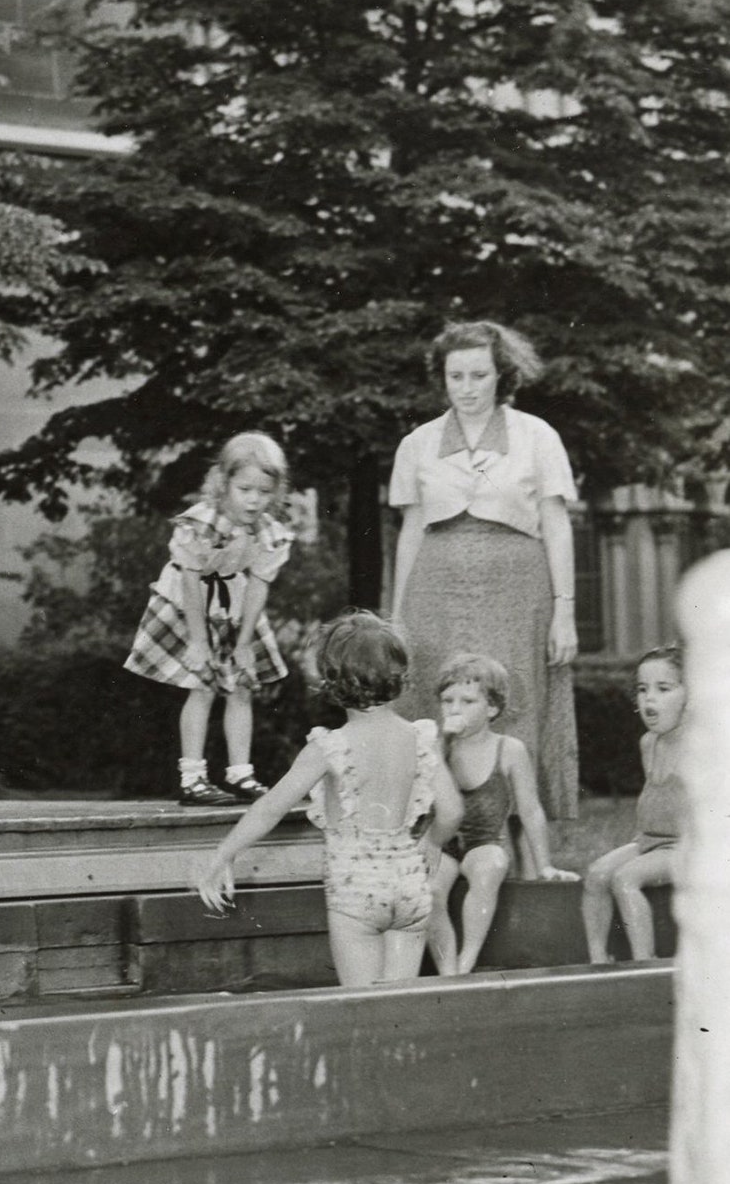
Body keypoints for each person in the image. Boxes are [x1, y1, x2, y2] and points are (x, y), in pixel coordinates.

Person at [197, 610, 461, 988]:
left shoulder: (329, 746)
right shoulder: (421, 737)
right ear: (398, 676)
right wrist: (432, 844)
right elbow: (451, 812)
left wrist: (223, 855)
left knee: (361, 1009)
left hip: (356, 892)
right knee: (399, 1010)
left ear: (331, 681)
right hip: (410, 884)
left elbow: (270, 808)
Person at [389, 320, 581, 820]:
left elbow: (557, 526)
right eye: (456, 376)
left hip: (518, 595)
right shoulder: (417, 443)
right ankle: (438, 831)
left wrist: (565, 611)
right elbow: (411, 530)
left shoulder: (537, 436)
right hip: (436, 594)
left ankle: (515, 837)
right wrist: (396, 618)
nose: (467, 388)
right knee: (435, 703)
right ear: (443, 378)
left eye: (479, 375)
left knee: (513, 701)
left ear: (502, 375)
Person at [125, 432, 294, 808]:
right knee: (200, 685)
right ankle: (192, 776)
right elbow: (190, 578)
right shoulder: (201, 523)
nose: (254, 500)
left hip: (233, 603)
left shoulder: (269, 533)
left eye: (264, 492)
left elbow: (259, 585)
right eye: (245, 488)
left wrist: (245, 641)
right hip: (191, 601)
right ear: (224, 483)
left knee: (241, 687)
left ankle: (240, 773)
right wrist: (199, 642)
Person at [424, 654, 573, 977]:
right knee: (430, 890)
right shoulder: (436, 748)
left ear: (491, 708)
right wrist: (437, 749)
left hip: (483, 841)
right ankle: (446, 968)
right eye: (447, 700)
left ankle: (467, 959)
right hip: (443, 843)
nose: (454, 709)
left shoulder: (509, 749)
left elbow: (531, 811)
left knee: (491, 867)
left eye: (467, 701)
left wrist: (544, 863)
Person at [582, 646, 687, 964]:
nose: (648, 699)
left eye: (663, 689)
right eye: (642, 690)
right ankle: (599, 960)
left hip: (688, 847)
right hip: (649, 841)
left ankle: (644, 965)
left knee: (625, 879)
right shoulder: (648, 743)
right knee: (597, 874)